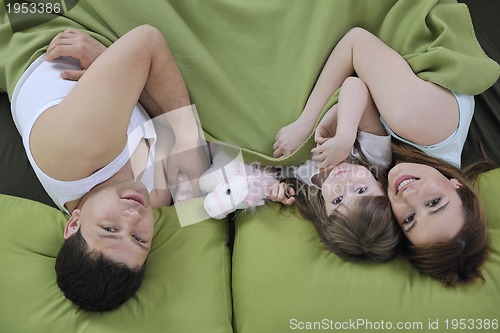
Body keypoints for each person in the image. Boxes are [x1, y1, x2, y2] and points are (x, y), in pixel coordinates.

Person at [274, 27, 496, 284]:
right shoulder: (416, 121)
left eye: (409, 219)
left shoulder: (384, 170)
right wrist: (306, 123)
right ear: (458, 186)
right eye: (434, 202)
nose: (409, 196)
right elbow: (355, 43)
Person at [11, 25, 210, 311]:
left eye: (109, 228)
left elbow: (148, 39)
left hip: (54, 29)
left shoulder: (76, 149)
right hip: (115, 53)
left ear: (74, 223)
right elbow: (165, 111)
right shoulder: (153, 197)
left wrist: (189, 138)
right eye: (139, 239)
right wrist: (109, 60)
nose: (132, 217)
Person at [276, 69, 400, 263]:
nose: (344, 182)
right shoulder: (374, 157)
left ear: (324, 210)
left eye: (337, 200)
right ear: (382, 187)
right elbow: (354, 86)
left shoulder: (307, 185)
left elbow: (269, 164)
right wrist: (344, 137)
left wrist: (271, 185)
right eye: (360, 189)